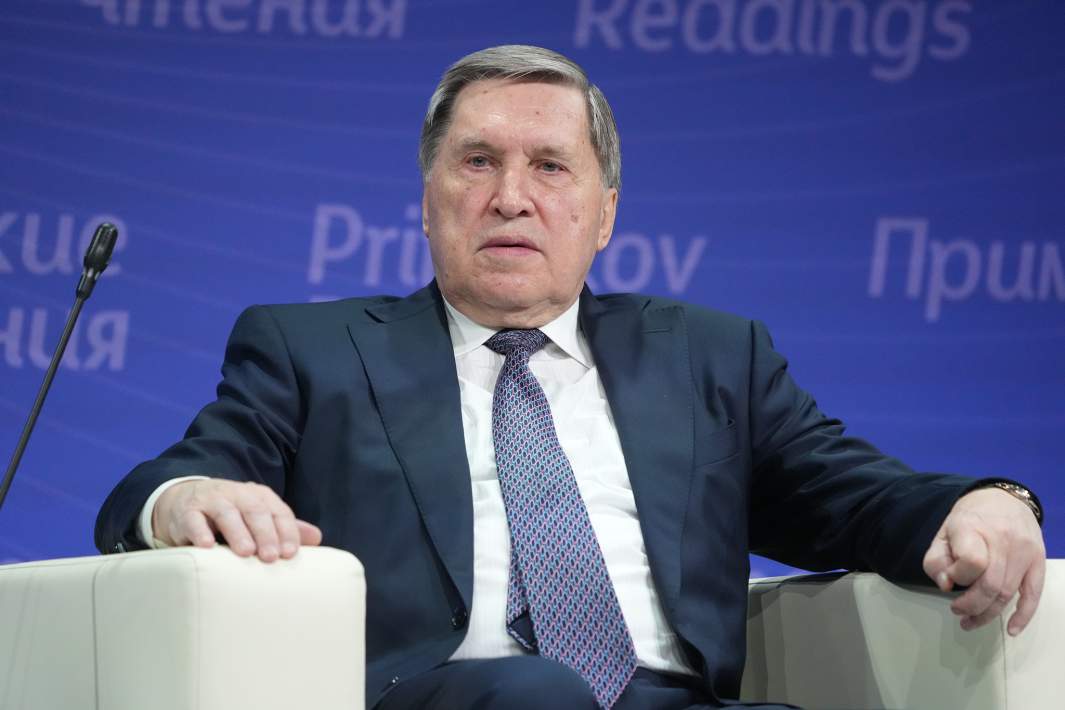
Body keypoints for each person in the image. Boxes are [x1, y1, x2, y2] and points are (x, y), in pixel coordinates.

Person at [94, 45, 1046, 710]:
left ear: (604, 214)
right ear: (427, 201)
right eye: (477, 162)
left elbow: (851, 497)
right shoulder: (313, 351)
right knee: (536, 694)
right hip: (448, 698)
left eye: (550, 167)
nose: (510, 197)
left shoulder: (711, 356)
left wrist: (988, 501)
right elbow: (168, 481)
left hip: (670, 700)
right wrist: (184, 498)